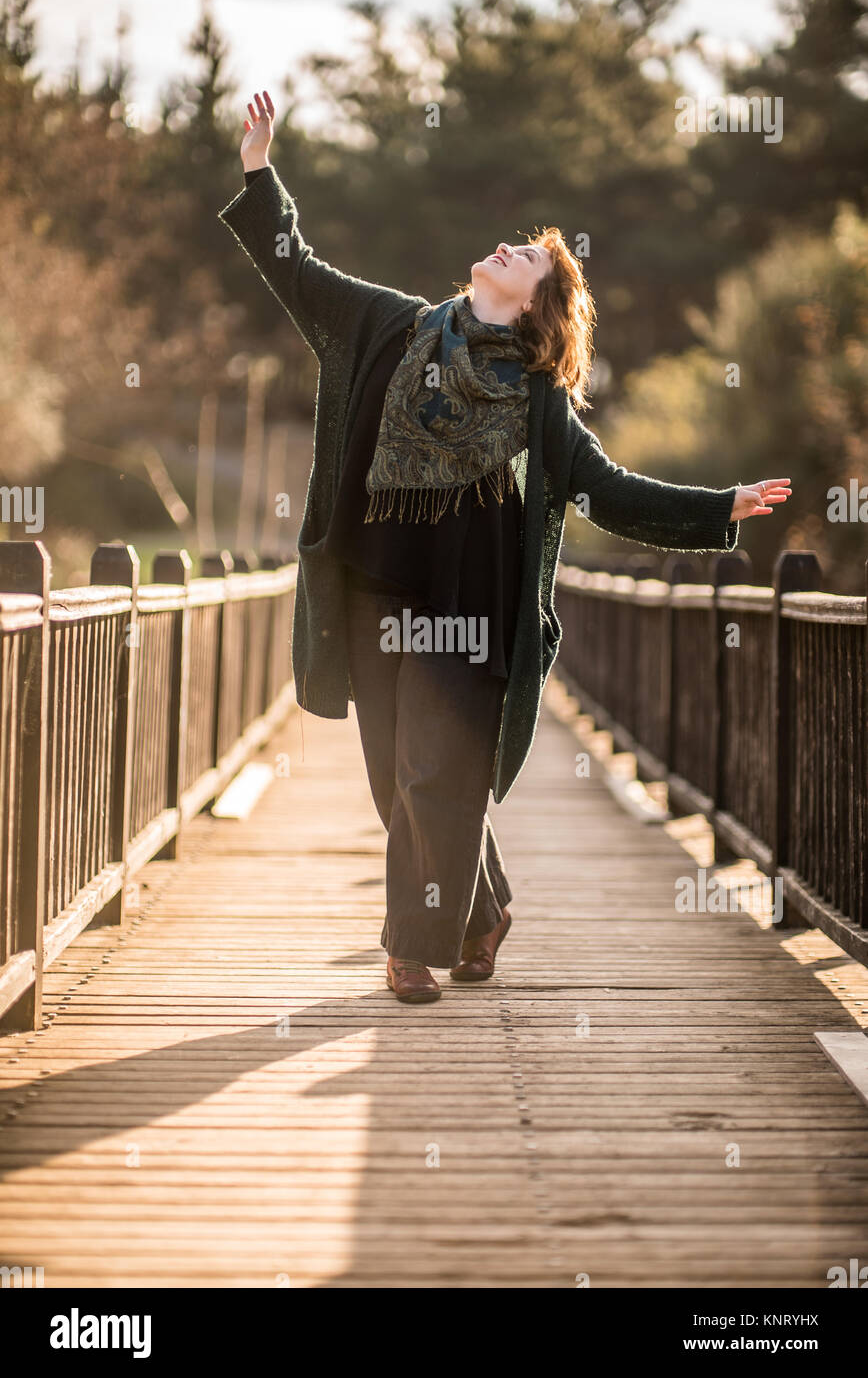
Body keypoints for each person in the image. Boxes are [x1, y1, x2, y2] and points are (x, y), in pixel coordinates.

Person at [218, 90, 791, 1007]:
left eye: (523, 256)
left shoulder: (534, 398)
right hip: (373, 586)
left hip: (471, 610)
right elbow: (300, 275)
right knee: (391, 778)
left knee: (431, 773)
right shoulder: (393, 326)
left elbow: (606, 491)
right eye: (510, 245)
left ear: (535, 306)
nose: (503, 249)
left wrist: (719, 505)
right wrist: (259, 171)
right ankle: (482, 912)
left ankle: (409, 950)